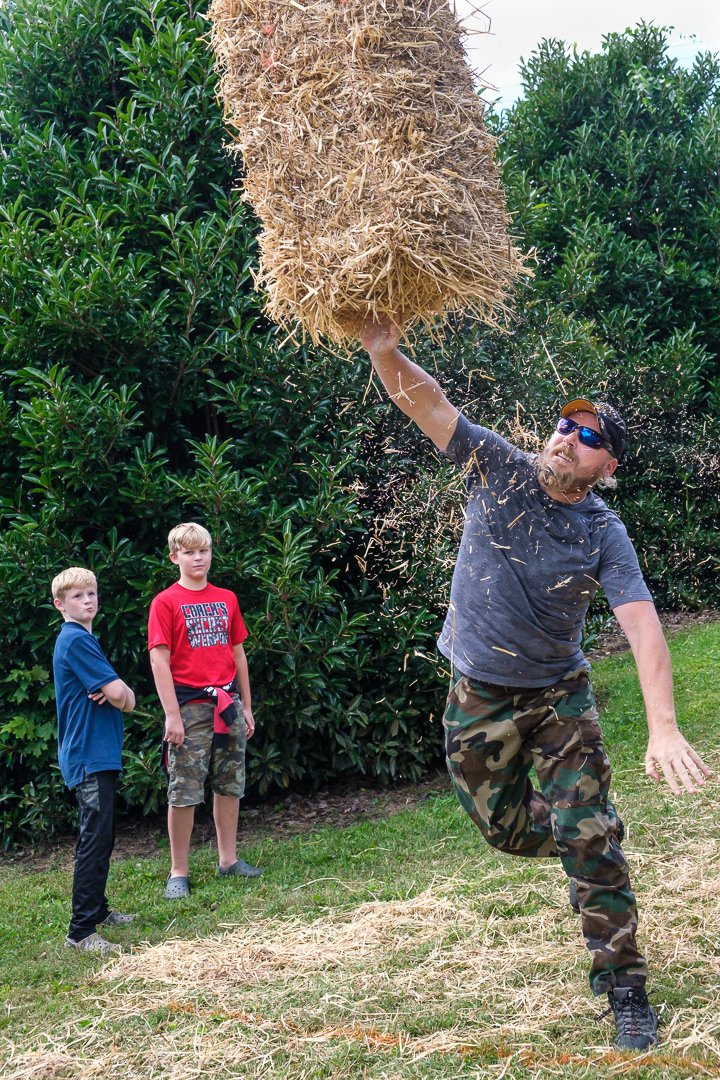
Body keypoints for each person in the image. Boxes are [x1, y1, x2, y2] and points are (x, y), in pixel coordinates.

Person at [361, 317, 711, 1051]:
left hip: (558, 696)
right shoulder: (498, 466)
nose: (566, 437)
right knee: (508, 833)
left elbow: (644, 627)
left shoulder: (603, 533)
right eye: (564, 425)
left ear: (606, 466)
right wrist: (383, 351)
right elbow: (428, 404)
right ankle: (587, 833)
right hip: (478, 691)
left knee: (587, 835)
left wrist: (665, 726)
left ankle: (624, 986)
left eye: (588, 437)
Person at [148, 522, 262, 898]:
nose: (198, 558)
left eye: (204, 551)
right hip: (189, 707)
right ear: (174, 557)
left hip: (228, 705)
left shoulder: (227, 597)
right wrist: (172, 715)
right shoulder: (165, 602)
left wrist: (245, 705)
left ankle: (228, 860)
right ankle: (178, 871)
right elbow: (159, 661)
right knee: (184, 790)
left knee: (230, 784)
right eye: (190, 552)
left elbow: (237, 652)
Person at [52, 567, 136, 954]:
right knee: (94, 839)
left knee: (103, 836)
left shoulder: (85, 639)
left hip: (97, 754)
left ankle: (98, 911)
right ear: (60, 604)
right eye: (77, 596)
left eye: (91, 593)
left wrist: (118, 693)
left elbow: (121, 697)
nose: (87, 600)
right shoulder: (75, 640)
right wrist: (118, 691)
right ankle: (81, 931)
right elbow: (121, 695)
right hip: (87, 754)